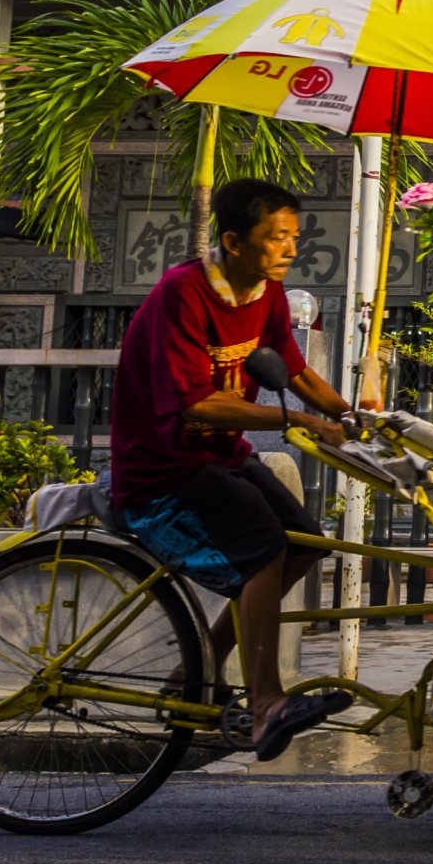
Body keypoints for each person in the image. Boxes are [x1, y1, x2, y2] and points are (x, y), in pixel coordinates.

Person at [109, 178, 356, 760]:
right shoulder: (183, 293)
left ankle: (199, 666)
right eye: (277, 238)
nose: (291, 249)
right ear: (233, 241)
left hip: (221, 456)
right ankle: (267, 702)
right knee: (262, 544)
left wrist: (352, 415)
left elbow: (294, 371)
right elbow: (196, 404)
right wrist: (297, 424)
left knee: (303, 543)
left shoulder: (267, 293)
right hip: (163, 466)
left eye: (295, 237)